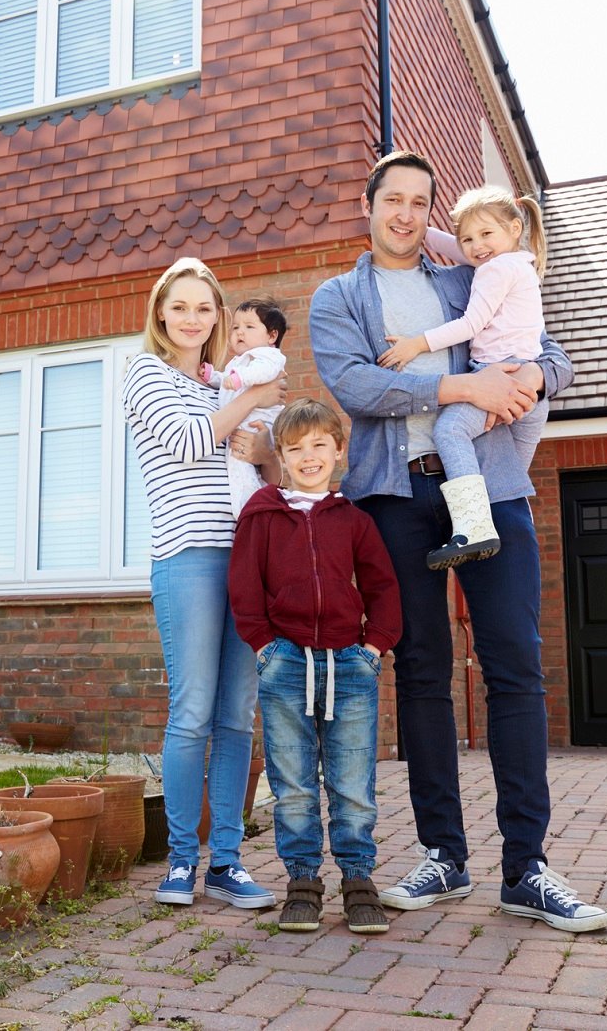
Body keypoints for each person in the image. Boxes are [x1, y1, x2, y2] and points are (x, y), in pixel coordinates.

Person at [308, 151, 607, 932]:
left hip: (491, 484)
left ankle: (528, 868)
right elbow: (359, 388)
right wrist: (463, 386)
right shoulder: (338, 297)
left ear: (431, 214)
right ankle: (444, 854)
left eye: (419, 202)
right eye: (392, 200)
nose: (405, 214)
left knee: (514, 663)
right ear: (366, 203)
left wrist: (536, 380)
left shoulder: (466, 274)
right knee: (422, 670)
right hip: (398, 496)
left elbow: (552, 352)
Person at [123, 257, 286, 910]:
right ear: (161, 313)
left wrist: (261, 429)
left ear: (219, 316)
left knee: (236, 717)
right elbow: (192, 443)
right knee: (191, 714)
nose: (193, 318)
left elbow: (266, 467)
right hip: (187, 557)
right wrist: (253, 400)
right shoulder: (146, 372)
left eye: (205, 307)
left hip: (246, 556)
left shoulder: (223, 381)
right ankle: (180, 862)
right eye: (180, 306)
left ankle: (228, 861)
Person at [228, 398, 403, 934]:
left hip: (350, 666)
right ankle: (302, 881)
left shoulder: (353, 520)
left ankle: (358, 880)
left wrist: (375, 647)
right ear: (279, 454)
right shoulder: (261, 514)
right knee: (294, 783)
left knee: (352, 782)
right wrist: (263, 645)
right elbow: (244, 586)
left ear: (338, 450)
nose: (309, 457)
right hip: (284, 663)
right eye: (296, 448)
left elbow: (382, 586)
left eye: (319, 446)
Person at [377, 188, 550, 570]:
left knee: (450, 432)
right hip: (531, 392)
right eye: (468, 238)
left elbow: (472, 323)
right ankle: (505, 527)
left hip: (501, 378)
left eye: (486, 235)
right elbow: (459, 250)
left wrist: (415, 345)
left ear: (514, 228)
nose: (476, 246)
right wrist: (422, 231)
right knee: (508, 487)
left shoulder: (495, 270)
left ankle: (472, 528)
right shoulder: (517, 261)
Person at [203, 297, 288, 517]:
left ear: (272, 336)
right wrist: (214, 377)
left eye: (249, 327)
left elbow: (264, 373)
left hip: (255, 423)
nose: (240, 333)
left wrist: (241, 378)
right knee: (239, 467)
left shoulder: (269, 356)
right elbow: (227, 383)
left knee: (240, 465)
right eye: (236, 327)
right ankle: (250, 508)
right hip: (242, 423)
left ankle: (249, 511)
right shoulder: (238, 362)